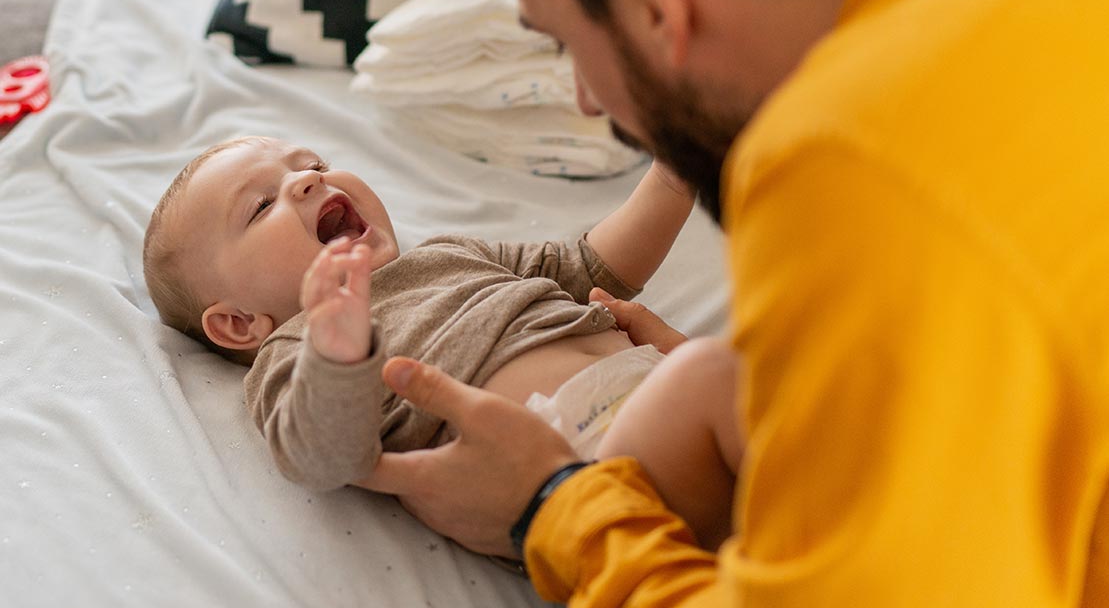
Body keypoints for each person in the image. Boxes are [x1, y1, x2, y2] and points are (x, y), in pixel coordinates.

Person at [354, 0, 1109, 608]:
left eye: (570, 47)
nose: (589, 98)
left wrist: (554, 506)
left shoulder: (852, 165)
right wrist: (800, 388)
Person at [141, 135, 741, 551]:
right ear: (241, 324)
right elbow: (321, 458)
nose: (307, 180)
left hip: (654, 408)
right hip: (583, 461)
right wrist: (340, 352)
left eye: (313, 163)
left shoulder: (449, 254)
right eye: (262, 204)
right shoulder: (298, 351)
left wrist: (668, 179)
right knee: (718, 372)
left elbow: (589, 267)